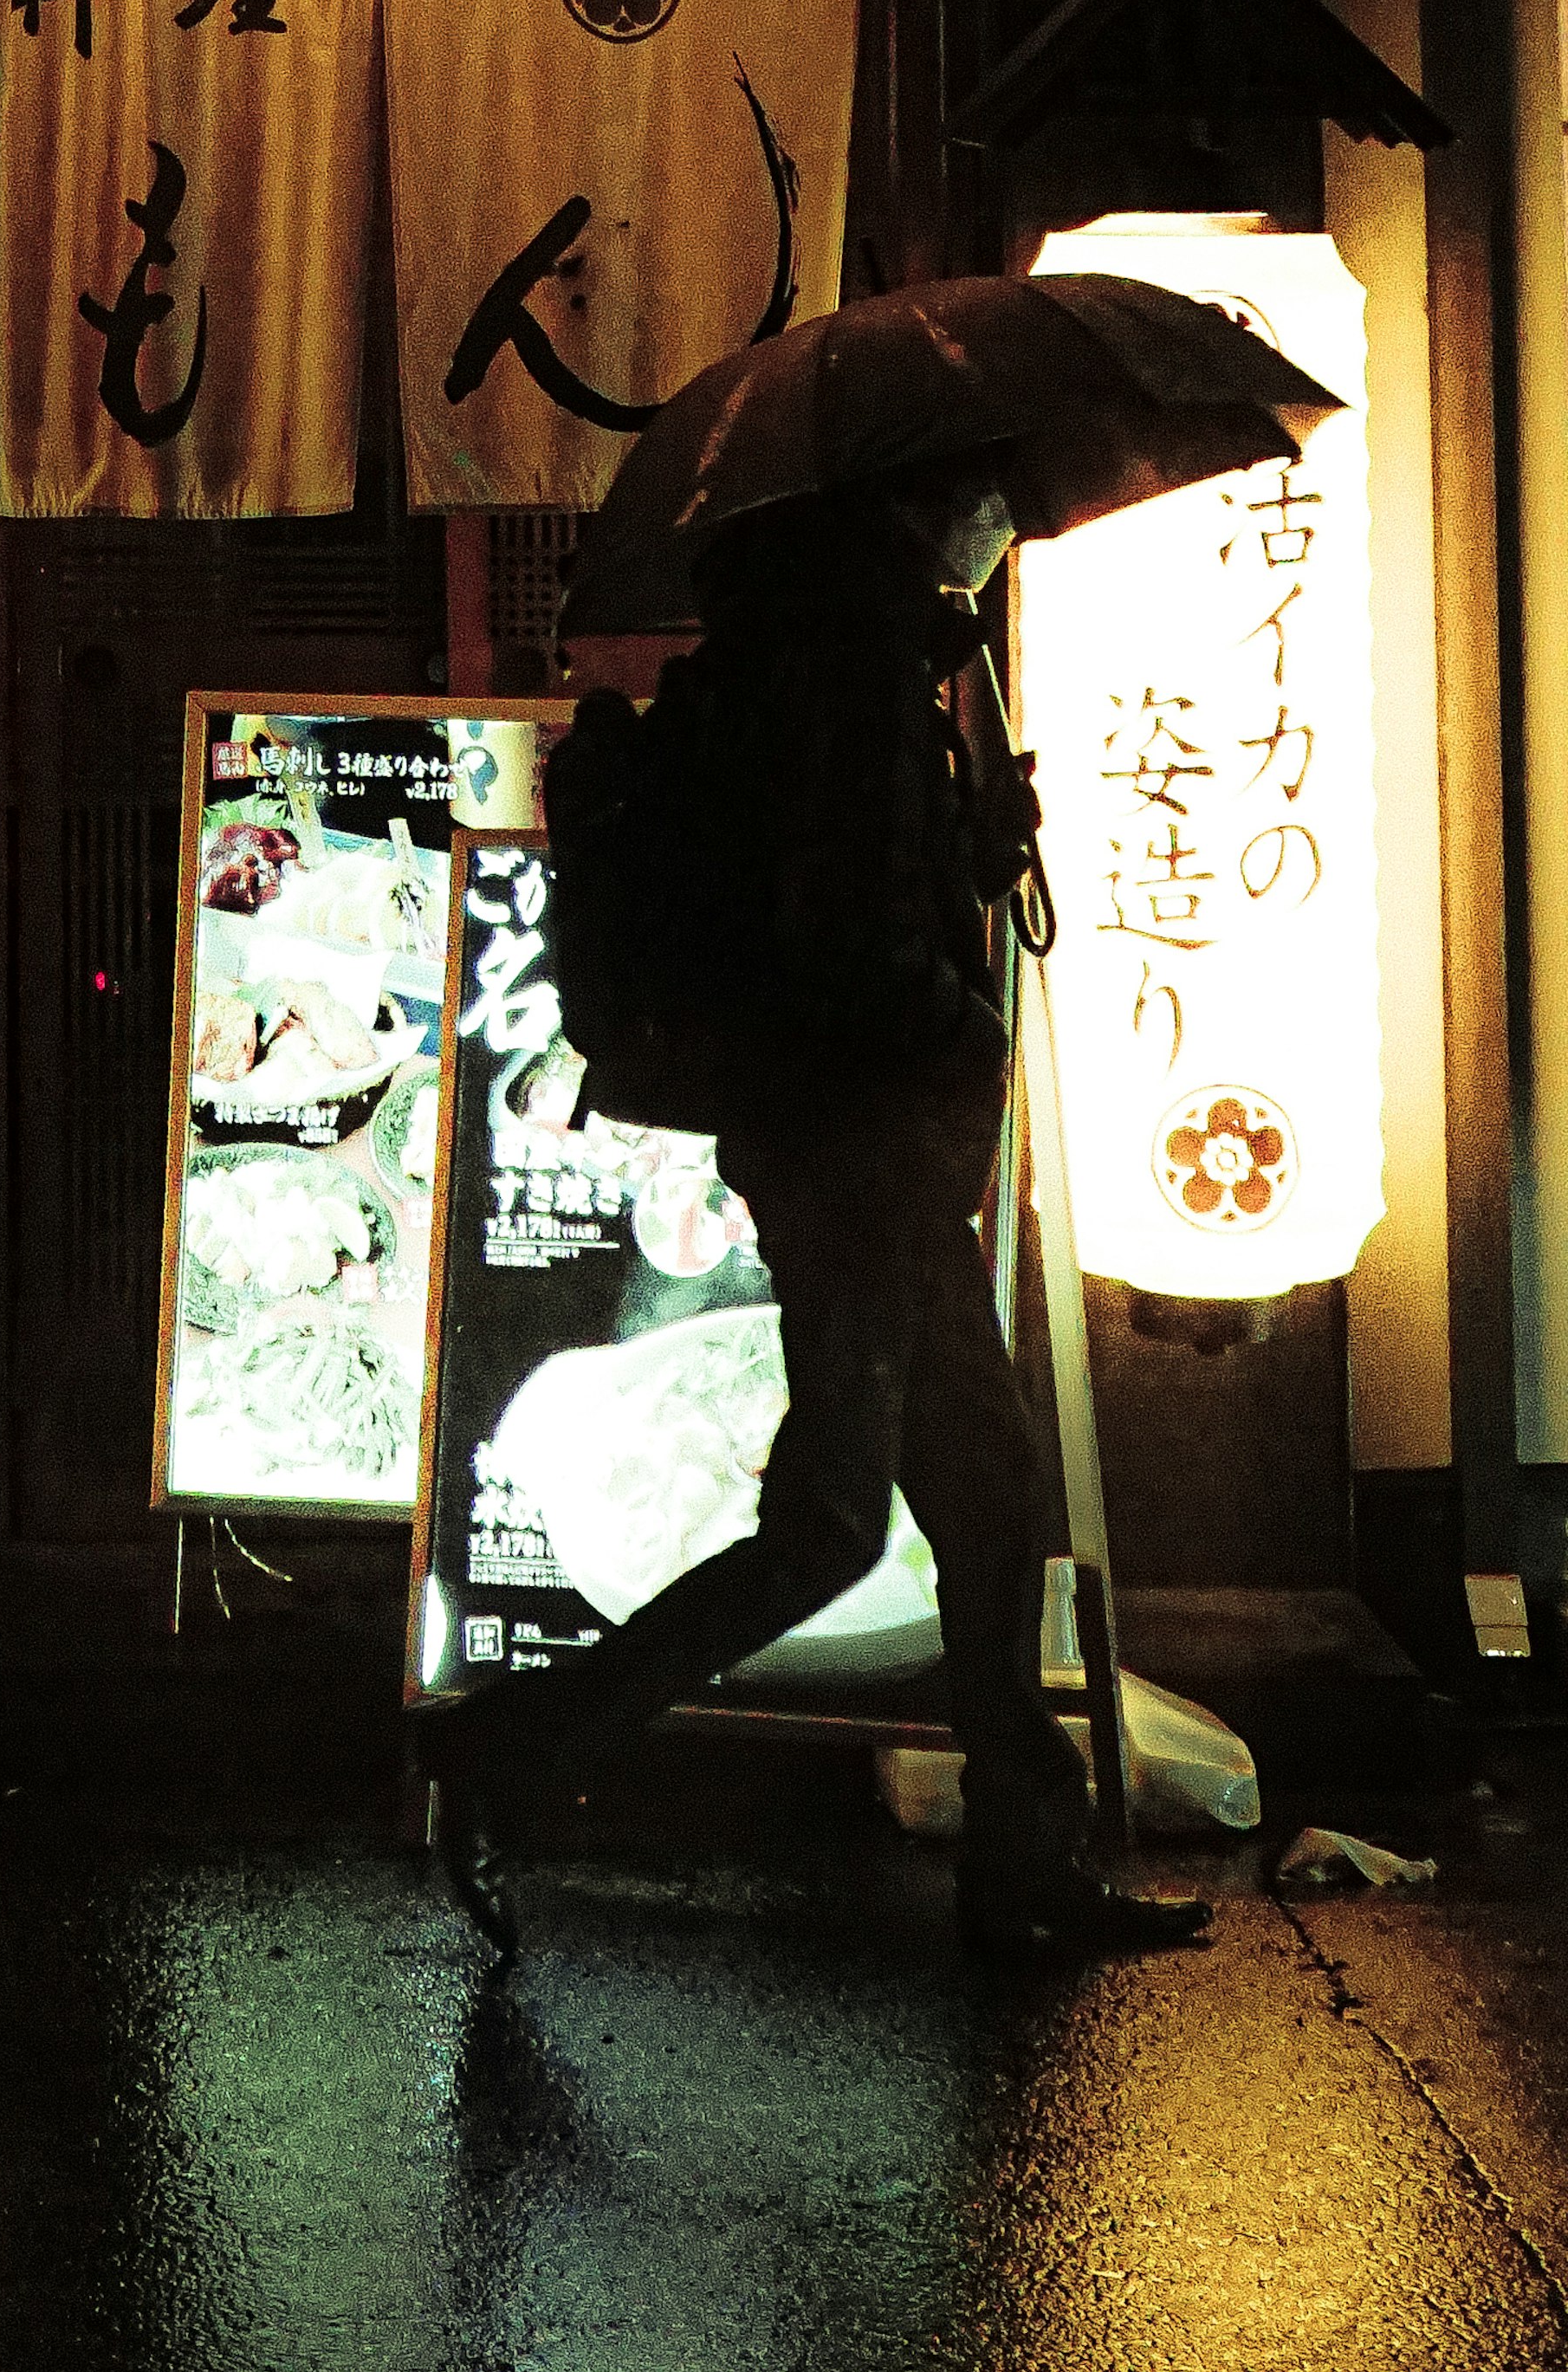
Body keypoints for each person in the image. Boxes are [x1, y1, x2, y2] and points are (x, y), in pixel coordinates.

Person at [425, 455, 1213, 1965]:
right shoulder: (847, 676)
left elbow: (859, 906)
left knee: (988, 1503)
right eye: (997, 503)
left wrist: (972, 849)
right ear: (928, 511)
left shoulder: (838, 663)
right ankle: (511, 1751)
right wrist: (949, 1004)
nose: (1007, 526)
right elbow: (845, 949)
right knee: (836, 1529)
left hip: (858, 1150)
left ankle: (1021, 1857)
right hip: (865, 1152)